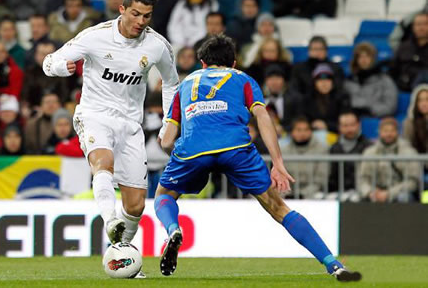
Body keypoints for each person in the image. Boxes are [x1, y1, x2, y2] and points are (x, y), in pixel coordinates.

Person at [154, 35, 361, 281]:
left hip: (192, 150)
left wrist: (181, 161)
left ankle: (173, 229)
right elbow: (262, 117)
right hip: (236, 148)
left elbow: (166, 140)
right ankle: (333, 264)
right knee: (279, 208)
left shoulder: (186, 84)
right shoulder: (243, 79)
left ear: (202, 63)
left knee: (164, 196)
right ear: (233, 62)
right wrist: (278, 162)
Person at [42, 0, 179, 261]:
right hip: (94, 114)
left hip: (130, 124)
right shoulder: (95, 36)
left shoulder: (158, 46)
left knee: (136, 206)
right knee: (102, 163)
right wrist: (60, 68)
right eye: (135, 14)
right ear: (122, 9)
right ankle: (109, 219)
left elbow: (172, 83)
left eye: (147, 16)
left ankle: (120, 256)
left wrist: (168, 123)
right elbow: (49, 61)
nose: (140, 22)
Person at [359, 117, 420, 202]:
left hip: (399, 192)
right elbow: (363, 179)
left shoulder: (409, 152)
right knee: (360, 197)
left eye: (392, 131)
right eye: (385, 131)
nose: (389, 134)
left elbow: (413, 182)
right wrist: (370, 192)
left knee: (404, 197)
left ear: (398, 132)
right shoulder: (369, 152)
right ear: (379, 132)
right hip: (376, 192)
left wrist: (389, 193)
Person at [345, 42, 398, 117]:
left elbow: (390, 106)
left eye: (367, 56)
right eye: (360, 57)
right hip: (352, 122)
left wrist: (369, 109)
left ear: (373, 59)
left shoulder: (385, 80)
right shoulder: (349, 81)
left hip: (377, 120)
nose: (364, 60)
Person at [281, 117, 329, 199]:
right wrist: (289, 193)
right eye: (299, 130)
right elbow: (282, 178)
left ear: (311, 132)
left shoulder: (322, 149)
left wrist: (303, 194)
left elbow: (321, 178)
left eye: (306, 130)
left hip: (314, 193)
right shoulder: (283, 151)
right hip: (289, 193)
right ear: (292, 132)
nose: (302, 133)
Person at [328, 111, 371, 201]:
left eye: (352, 125)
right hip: (337, 192)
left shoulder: (368, 147)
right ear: (339, 127)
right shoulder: (334, 148)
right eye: (345, 125)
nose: (349, 129)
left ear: (358, 125)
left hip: (362, 193)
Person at [391, 12, 428, 92]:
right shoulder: (403, 47)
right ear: (413, 27)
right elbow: (394, 70)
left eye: (425, 24)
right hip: (404, 88)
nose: (421, 27)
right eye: (418, 24)